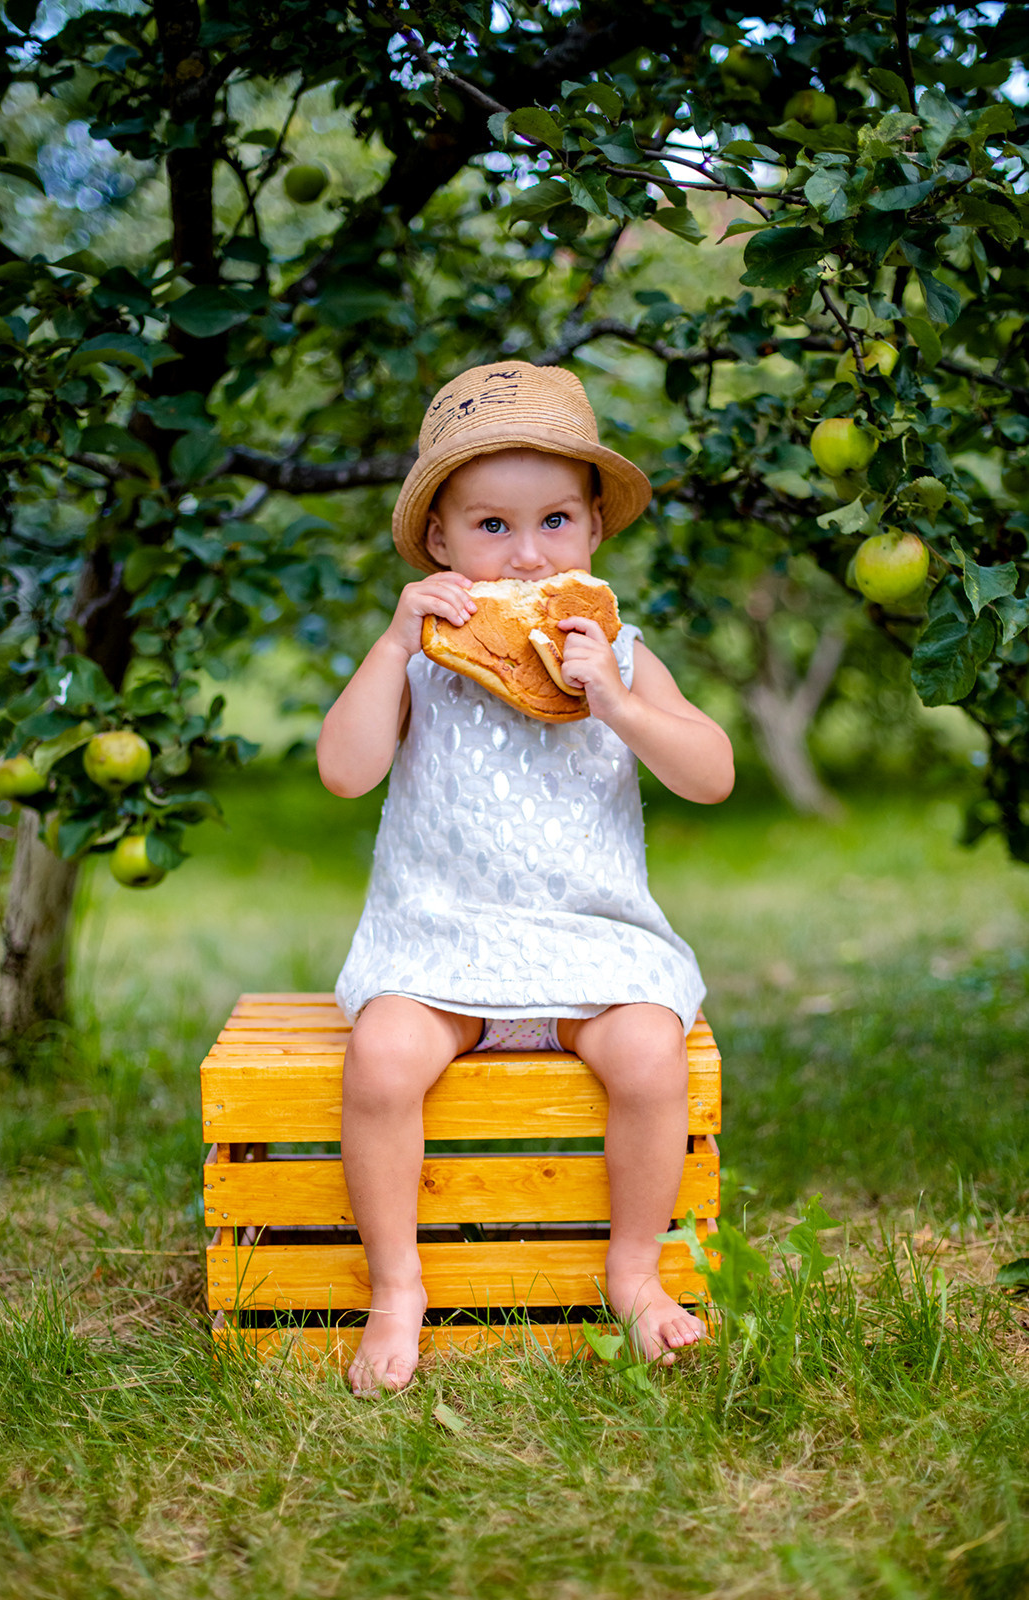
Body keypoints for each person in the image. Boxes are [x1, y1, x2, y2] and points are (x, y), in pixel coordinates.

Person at [317, 362, 734, 1396]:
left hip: (588, 942)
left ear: (592, 530)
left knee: (647, 1051)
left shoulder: (619, 656)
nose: (525, 551)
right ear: (439, 546)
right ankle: (396, 1285)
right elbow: (343, 769)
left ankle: (632, 1271)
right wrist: (388, 639)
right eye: (491, 527)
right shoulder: (422, 655)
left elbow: (712, 774)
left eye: (552, 519)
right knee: (378, 1060)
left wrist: (619, 705)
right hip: (441, 942)